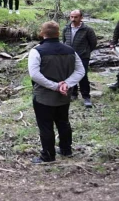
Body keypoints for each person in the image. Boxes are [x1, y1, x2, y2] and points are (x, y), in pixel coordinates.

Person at [28, 21, 85, 163]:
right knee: (63, 122)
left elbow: (34, 75)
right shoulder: (70, 50)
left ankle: (48, 155)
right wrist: (66, 84)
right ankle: (66, 150)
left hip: (43, 96)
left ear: (42, 33)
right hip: (64, 95)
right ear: (58, 33)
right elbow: (80, 71)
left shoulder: (37, 51)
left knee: (46, 125)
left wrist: (55, 86)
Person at [62, 10, 97, 108]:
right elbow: (64, 41)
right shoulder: (66, 28)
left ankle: (86, 97)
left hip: (83, 56)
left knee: (83, 75)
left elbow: (93, 43)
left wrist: (86, 52)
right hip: (69, 56)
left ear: (81, 17)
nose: (73, 19)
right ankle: (73, 94)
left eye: (75, 17)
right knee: (70, 74)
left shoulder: (87, 29)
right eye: (71, 17)